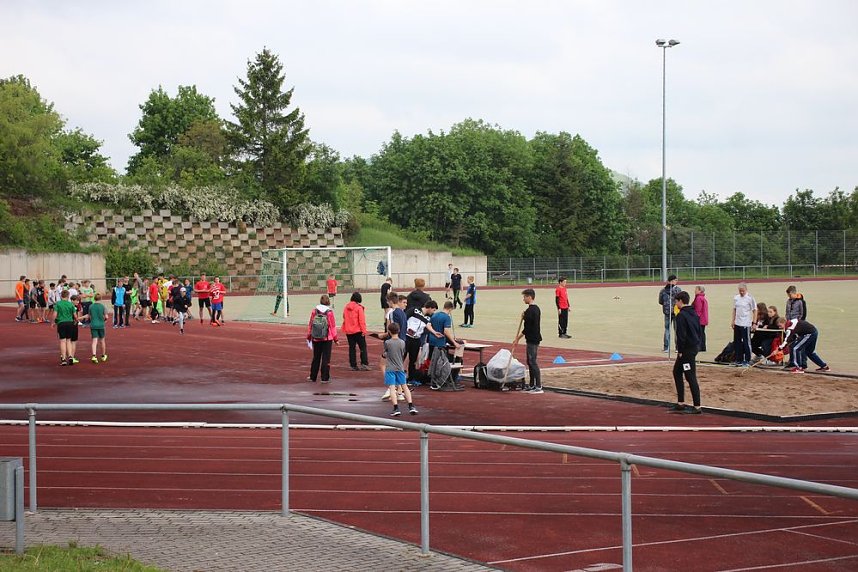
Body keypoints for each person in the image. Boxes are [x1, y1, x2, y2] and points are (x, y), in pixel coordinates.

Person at [669, 291, 703, 415]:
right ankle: (680, 403)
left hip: (687, 350)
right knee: (677, 372)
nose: (675, 303)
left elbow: (681, 335)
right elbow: (700, 331)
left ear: (680, 301)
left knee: (690, 376)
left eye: (676, 301)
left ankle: (697, 406)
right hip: (693, 347)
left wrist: (681, 351)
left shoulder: (681, 315)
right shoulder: (694, 313)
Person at [382, 322, 417, 416]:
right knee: (405, 386)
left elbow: (385, 354)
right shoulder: (402, 342)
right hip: (400, 367)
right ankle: (411, 406)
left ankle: (396, 408)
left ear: (389, 331)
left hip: (390, 368)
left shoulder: (387, 342)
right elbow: (402, 353)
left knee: (392, 388)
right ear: (399, 331)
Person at [405, 300, 443, 383]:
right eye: (433, 310)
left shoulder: (428, 318)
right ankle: (398, 377)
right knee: (402, 357)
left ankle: (411, 378)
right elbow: (404, 318)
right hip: (407, 337)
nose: (433, 312)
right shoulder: (414, 310)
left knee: (413, 360)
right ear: (429, 307)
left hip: (416, 339)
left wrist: (434, 333)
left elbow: (428, 326)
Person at [514, 289, 542, 393]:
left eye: (525, 297)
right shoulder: (535, 309)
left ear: (530, 297)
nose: (523, 299)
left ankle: (538, 385)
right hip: (533, 338)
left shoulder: (530, 311)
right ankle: (532, 385)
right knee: (530, 362)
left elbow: (527, 328)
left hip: (532, 339)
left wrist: (517, 338)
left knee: (532, 362)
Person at [306, 294, 339, 383]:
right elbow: (332, 326)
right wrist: (336, 339)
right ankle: (325, 378)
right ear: (328, 301)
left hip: (316, 338)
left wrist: (309, 336)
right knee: (326, 358)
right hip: (327, 338)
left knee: (316, 357)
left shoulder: (314, 311)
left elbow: (310, 324)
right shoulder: (329, 312)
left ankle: (313, 376)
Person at [731, 282, 757, 367]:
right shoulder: (736, 298)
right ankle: (739, 359)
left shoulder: (750, 298)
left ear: (746, 290)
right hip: (737, 323)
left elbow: (754, 310)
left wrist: (754, 322)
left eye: (743, 291)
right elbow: (734, 309)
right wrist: (733, 320)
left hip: (746, 323)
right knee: (737, 342)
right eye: (740, 291)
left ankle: (748, 359)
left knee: (746, 342)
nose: (741, 292)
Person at [342, 292, 370, 371]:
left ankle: (353, 365)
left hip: (349, 331)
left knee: (352, 348)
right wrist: (364, 330)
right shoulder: (359, 308)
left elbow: (344, 316)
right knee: (363, 347)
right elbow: (361, 320)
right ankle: (364, 363)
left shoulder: (346, 307)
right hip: (358, 330)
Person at [82, 292, 109, 363]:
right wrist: (104, 320)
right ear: (101, 299)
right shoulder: (103, 306)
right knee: (102, 340)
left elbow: (89, 315)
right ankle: (103, 355)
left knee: (94, 341)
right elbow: (106, 317)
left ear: (94, 298)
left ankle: (94, 355)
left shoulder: (91, 306)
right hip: (101, 325)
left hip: (93, 324)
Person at [54, 289, 79, 366]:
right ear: (68, 296)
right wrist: (76, 320)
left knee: (62, 341)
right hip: (70, 323)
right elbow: (75, 315)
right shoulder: (71, 304)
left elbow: (55, 314)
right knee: (69, 340)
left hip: (61, 323)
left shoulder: (58, 304)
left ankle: (64, 359)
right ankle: (70, 356)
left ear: (61, 296)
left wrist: (53, 322)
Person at [658, 274, 681, 352]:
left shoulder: (663, 290)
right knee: (676, 329)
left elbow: (660, 301)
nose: (676, 281)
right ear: (671, 281)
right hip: (676, 311)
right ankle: (677, 348)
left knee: (668, 329)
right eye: (675, 280)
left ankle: (666, 348)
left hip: (667, 311)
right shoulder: (678, 290)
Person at [692, 285, 709, 352]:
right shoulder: (703, 298)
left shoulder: (698, 298)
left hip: (700, 319)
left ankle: (699, 346)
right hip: (704, 318)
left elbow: (698, 310)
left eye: (696, 289)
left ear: (699, 290)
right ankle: (703, 346)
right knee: (702, 333)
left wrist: (695, 318)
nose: (695, 291)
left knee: (699, 333)